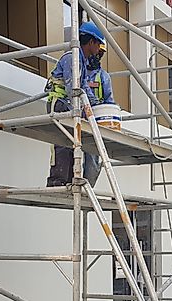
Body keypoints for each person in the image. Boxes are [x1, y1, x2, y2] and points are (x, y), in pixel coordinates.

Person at [44, 21, 105, 187]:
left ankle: (68, 180)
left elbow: (84, 88)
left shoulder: (81, 60)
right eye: (98, 43)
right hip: (61, 103)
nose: (99, 48)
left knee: (71, 144)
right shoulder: (72, 58)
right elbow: (74, 89)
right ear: (91, 41)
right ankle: (57, 181)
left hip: (69, 105)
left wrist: (99, 109)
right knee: (63, 144)